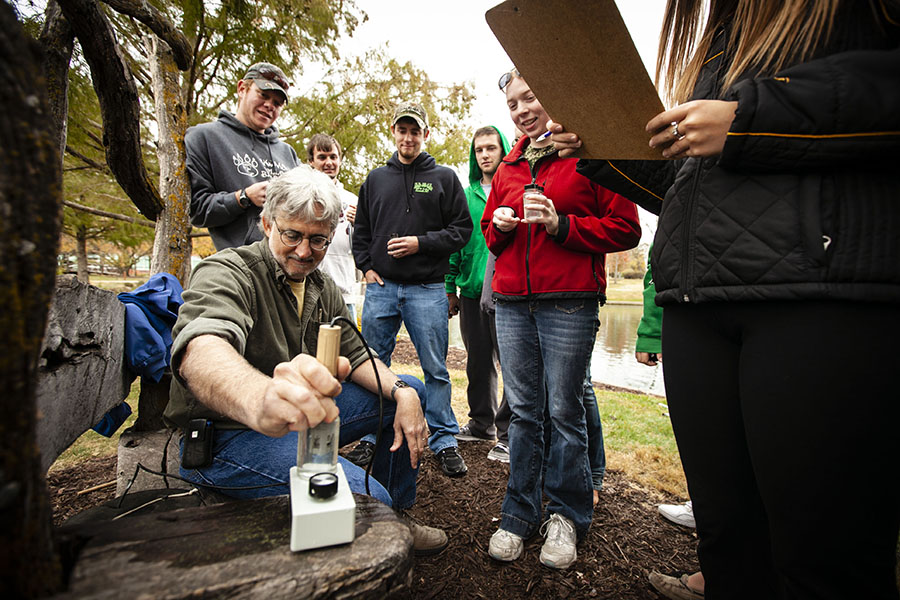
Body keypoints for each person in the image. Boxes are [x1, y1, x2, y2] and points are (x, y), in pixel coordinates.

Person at [553, 1, 900, 597]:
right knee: (729, 543)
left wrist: (750, 120)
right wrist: (605, 150)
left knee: (824, 559)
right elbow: (692, 180)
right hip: (698, 304)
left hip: (817, 295)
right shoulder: (718, 28)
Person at [163, 165, 447, 555]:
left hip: (297, 420)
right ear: (266, 223)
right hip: (227, 437)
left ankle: (397, 513)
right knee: (368, 499)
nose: (303, 251)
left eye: (318, 240)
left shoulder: (321, 286)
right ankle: (381, 517)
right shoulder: (226, 271)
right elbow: (201, 345)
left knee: (408, 389)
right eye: (292, 235)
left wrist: (402, 392)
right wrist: (259, 397)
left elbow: (355, 352)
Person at [483, 71, 640, 570]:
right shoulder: (508, 166)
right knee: (525, 413)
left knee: (564, 411)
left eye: (530, 97)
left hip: (568, 301)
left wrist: (560, 224)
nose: (522, 109)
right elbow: (488, 232)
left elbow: (626, 228)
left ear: (554, 95)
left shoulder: (590, 153)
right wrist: (503, 225)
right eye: (513, 103)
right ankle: (518, 513)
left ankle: (568, 515)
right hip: (510, 302)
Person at [351, 102, 473, 478]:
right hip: (382, 289)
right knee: (374, 363)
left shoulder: (443, 177)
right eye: (402, 130)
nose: (408, 137)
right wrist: (367, 267)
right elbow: (363, 232)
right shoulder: (375, 179)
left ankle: (444, 439)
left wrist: (420, 243)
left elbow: (461, 231)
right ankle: (372, 433)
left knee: (436, 367)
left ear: (425, 134)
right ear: (393, 132)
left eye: (415, 131)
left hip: (427, 289)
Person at [186, 62, 299, 251]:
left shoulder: (287, 153)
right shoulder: (204, 137)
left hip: (288, 266)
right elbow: (197, 210)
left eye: (277, 103)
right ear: (242, 89)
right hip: (238, 267)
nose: (269, 105)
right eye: (263, 95)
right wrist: (243, 197)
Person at [446, 126, 512, 444]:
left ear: (503, 150)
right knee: (478, 362)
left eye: (491, 148)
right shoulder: (467, 194)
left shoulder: (514, 187)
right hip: (471, 291)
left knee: (512, 362)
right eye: (479, 150)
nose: (484, 155)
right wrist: (450, 288)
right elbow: (457, 243)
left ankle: (509, 431)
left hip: (507, 292)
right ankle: (480, 423)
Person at [306, 133, 360, 321]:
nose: (328, 162)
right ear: (311, 161)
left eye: (333, 157)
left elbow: (359, 250)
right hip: (308, 291)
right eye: (322, 157)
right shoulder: (300, 198)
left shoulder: (353, 201)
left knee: (347, 348)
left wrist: (358, 226)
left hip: (343, 294)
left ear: (340, 160)